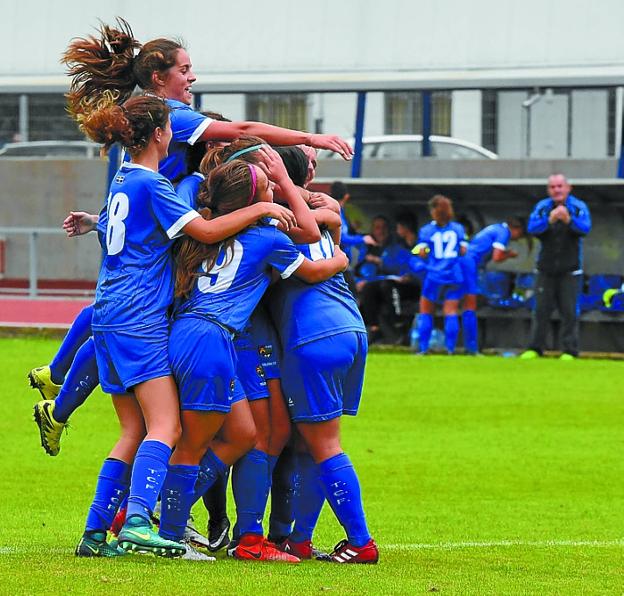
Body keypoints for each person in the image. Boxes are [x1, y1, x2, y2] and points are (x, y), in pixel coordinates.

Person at [69, 95, 297, 559]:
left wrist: (92, 221)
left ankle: (95, 534)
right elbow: (207, 233)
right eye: (171, 126)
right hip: (138, 318)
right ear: (159, 134)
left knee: (133, 432)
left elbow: (128, 231)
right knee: (166, 427)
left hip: (108, 314)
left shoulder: (122, 178)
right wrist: (259, 210)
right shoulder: (155, 185)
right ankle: (137, 522)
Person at [159, 156, 349, 562]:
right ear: (253, 199)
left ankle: (157, 514)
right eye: (267, 186)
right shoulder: (267, 238)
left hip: (193, 336)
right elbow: (315, 269)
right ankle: (165, 530)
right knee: (194, 442)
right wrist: (341, 257)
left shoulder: (209, 231)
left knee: (242, 434)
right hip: (211, 340)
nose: (273, 191)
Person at [520, 174, 591, 360]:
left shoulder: (578, 207)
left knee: (569, 312)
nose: (557, 190)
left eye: (560, 186)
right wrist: (549, 221)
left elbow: (585, 228)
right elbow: (532, 228)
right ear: (548, 190)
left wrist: (569, 221)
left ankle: (569, 350)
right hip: (545, 269)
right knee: (541, 311)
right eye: (552, 187)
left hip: (570, 270)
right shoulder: (542, 207)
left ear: (568, 187)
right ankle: (535, 348)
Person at [460, 218, 526, 354]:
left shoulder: (495, 228)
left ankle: (460, 347)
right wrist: (510, 254)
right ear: (516, 229)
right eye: (520, 234)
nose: (517, 238)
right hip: (470, 265)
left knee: (457, 305)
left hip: (466, 263)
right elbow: (497, 257)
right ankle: (471, 348)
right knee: (469, 307)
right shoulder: (504, 232)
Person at [414, 195, 466, 355]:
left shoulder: (426, 230)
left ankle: (423, 348)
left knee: (426, 310)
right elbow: (463, 250)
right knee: (450, 311)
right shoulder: (458, 229)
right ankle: (450, 349)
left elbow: (421, 252)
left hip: (434, 275)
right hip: (453, 275)